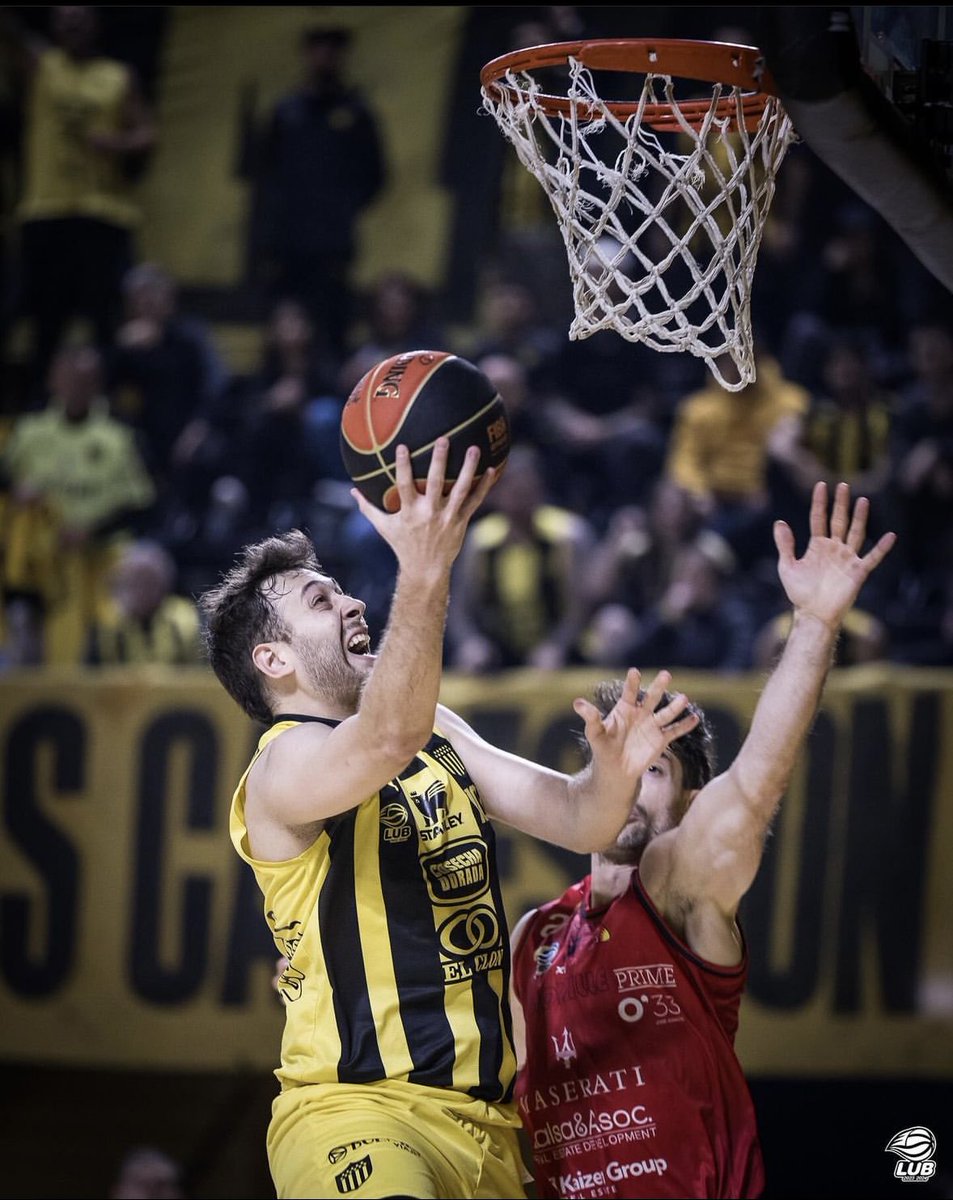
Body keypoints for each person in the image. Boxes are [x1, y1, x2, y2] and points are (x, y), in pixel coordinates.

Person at [198, 437, 700, 1200]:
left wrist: (617, 771)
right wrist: (426, 563)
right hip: (354, 1112)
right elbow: (385, 737)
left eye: (341, 589)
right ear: (274, 662)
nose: (352, 602)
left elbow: (580, 819)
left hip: (488, 1128)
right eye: (320, 602)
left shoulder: (437, 727)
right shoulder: (282, 765)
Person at [510, 480, 896, 1199]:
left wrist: (812, 622)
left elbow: (756, 781)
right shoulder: (532, 935)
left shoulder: (679, 889)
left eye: (648, 768)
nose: (622, 781)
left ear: (688, 802)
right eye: (608, 762)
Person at [10, 5, 156, 396]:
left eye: (80, 17)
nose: (72, 24)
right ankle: (43, 408)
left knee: (106, 325)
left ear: (96, 24)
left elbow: (146, 133)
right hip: (47, 210)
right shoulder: (41, 65)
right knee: (45, 323)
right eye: (64, 17)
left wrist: (117, 143)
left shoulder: (117, 75)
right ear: (53, 23)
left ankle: (102, 408)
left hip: (101, 214)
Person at [249, 25, 387, 359]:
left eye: (332, 49)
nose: (325, 56)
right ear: (307, 55)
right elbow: (265, 177)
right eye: (318, 48)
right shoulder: (286, 112)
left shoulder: (356, 111)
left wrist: (343, 208)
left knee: (331, 322)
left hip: (333, 243)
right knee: (284, 321)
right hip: (286, 242)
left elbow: (376, 174)